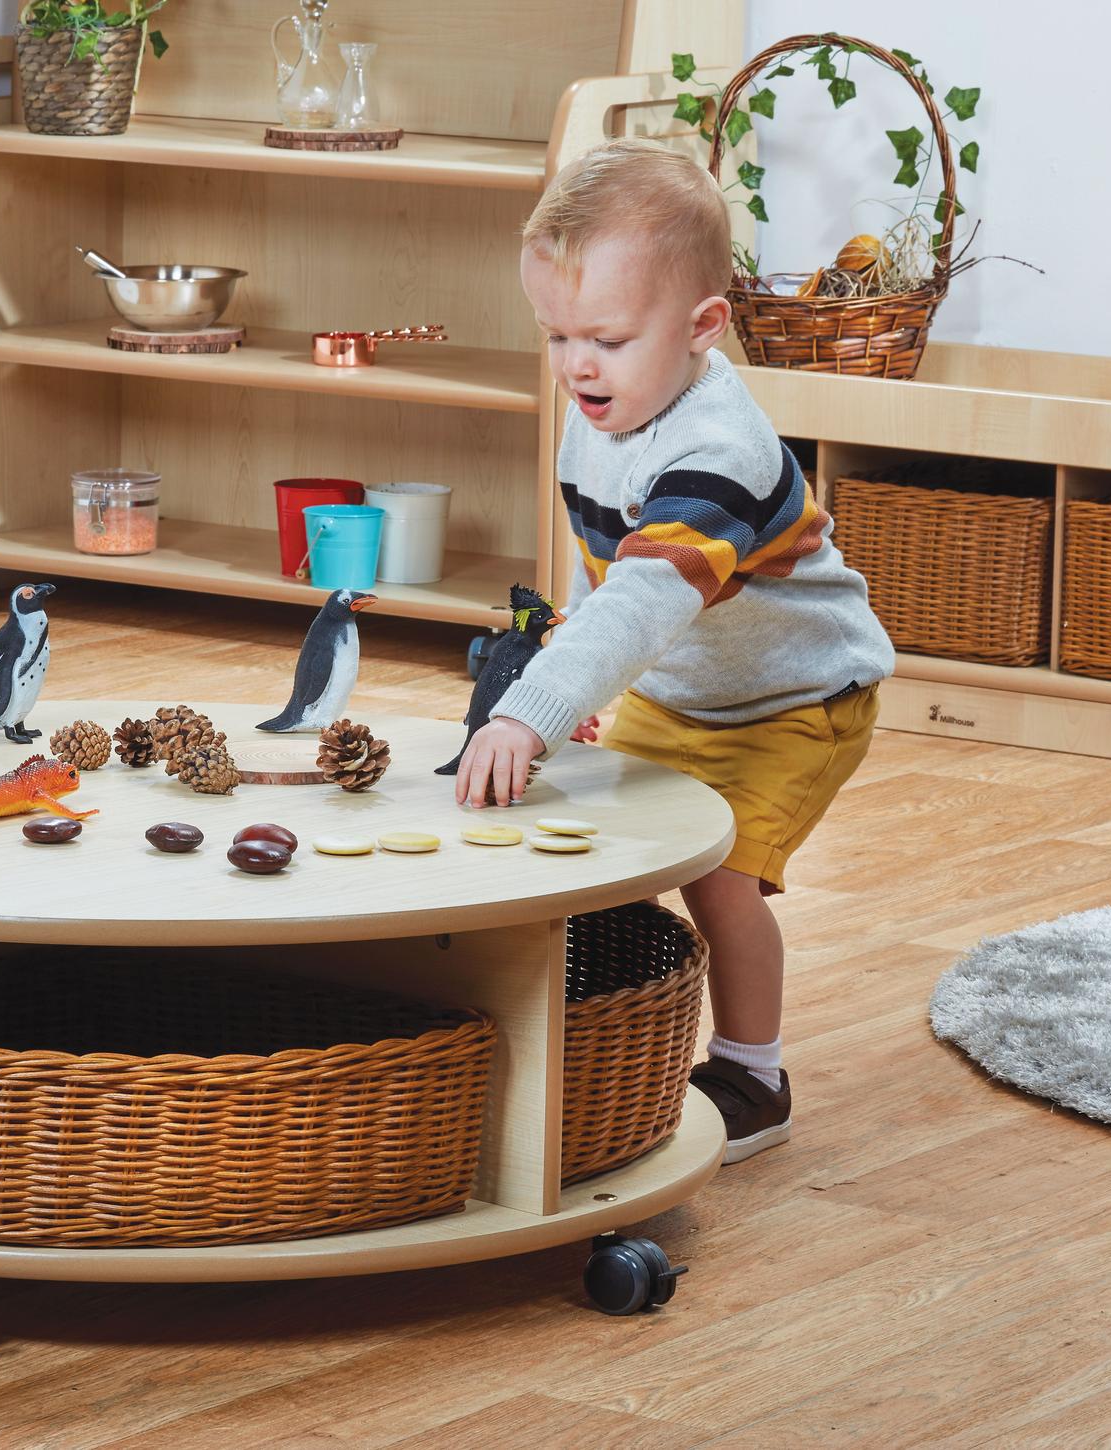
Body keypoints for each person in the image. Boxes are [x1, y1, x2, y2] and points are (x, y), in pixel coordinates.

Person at [454, 137, 895, 1163]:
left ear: (703, 329)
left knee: (719, 876)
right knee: (606, 857)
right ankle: (604, 1048)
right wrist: (563, 656)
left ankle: (753, 1072)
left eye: (605, 336)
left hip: (795, 699)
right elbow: (606, 571)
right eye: (557, 335)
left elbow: (650, 596)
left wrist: (538, 706)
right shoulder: (599, 411)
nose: (577, 365)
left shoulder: (719, 454)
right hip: (682, 685)